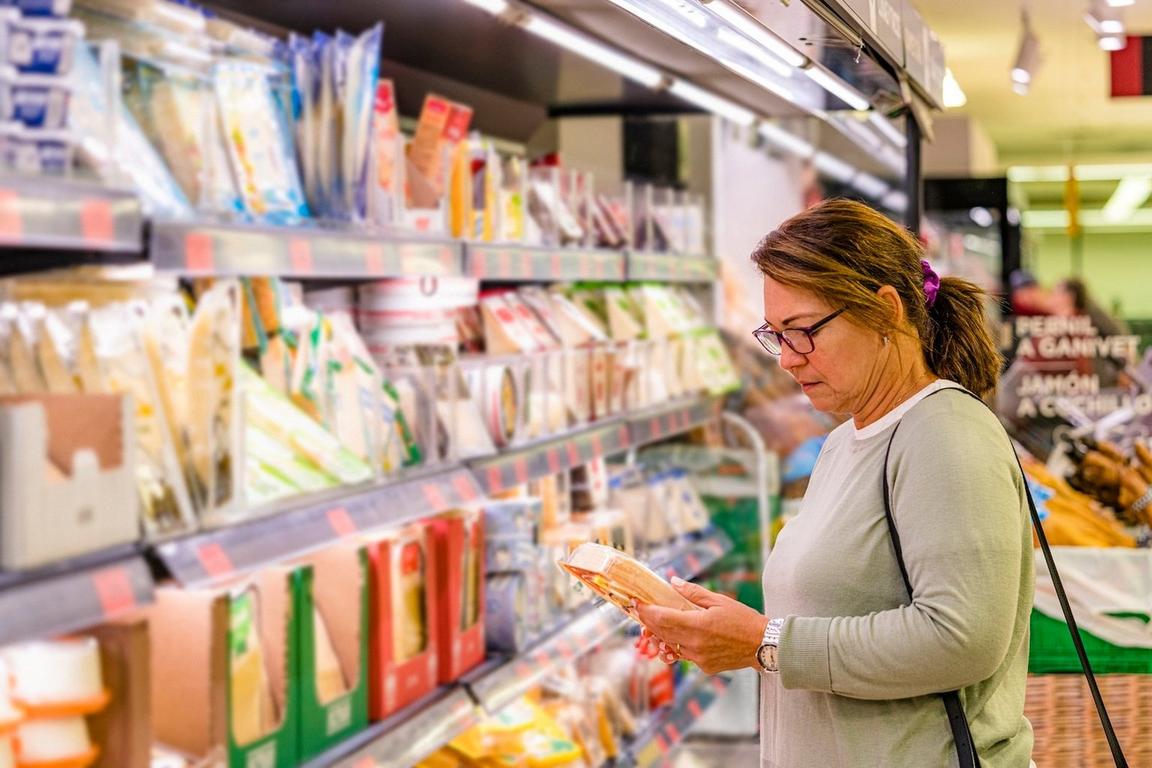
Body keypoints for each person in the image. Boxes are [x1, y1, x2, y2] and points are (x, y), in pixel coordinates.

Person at [636, 199, 1035, 767]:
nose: (787, 360)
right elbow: (833, 611)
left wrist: (764, 644)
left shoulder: (943, 432)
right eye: (775, 335)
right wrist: (720, 627)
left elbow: (961, 638)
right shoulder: (848, 439)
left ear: (886, 311)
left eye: (802, 332)